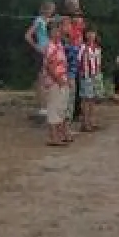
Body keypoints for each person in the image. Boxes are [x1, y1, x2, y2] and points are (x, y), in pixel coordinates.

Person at [41, 17, 72, 146]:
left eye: (59, 30)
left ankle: (59, 135)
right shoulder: (50, 46)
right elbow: (49, 65)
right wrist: (58, 79)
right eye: (56, 30)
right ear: (50, 32)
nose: (59, 33)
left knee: (61, 108)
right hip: (55, 82)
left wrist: (66, 78)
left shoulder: (59, 45)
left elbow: (62, 64)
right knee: (54, 109)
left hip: (61, 80)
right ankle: (53, 137)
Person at [23, 0, 55, 117]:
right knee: (41, 79)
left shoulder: (48, 20)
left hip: (49, 51)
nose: (52, 11)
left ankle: (46, 105)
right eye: (51, 9)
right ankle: (42, 107)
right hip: (42, 51)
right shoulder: (39, 20)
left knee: (48, 79)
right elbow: (28, 35)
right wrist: (36, 46)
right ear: (46, 9)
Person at [78, 26, 105, 132]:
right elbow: (79, 60)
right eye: (89, 33)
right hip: (86, 76)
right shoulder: (83, 47)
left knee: (93, 99)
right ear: (85, 35)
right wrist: (82, 74)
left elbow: (99, 63)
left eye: (93, 33)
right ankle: (85, 122)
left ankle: (91, 121)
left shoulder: (97, 48)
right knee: (86, 99)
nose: (91, 35)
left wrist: (98, 75)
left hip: (95, 76)